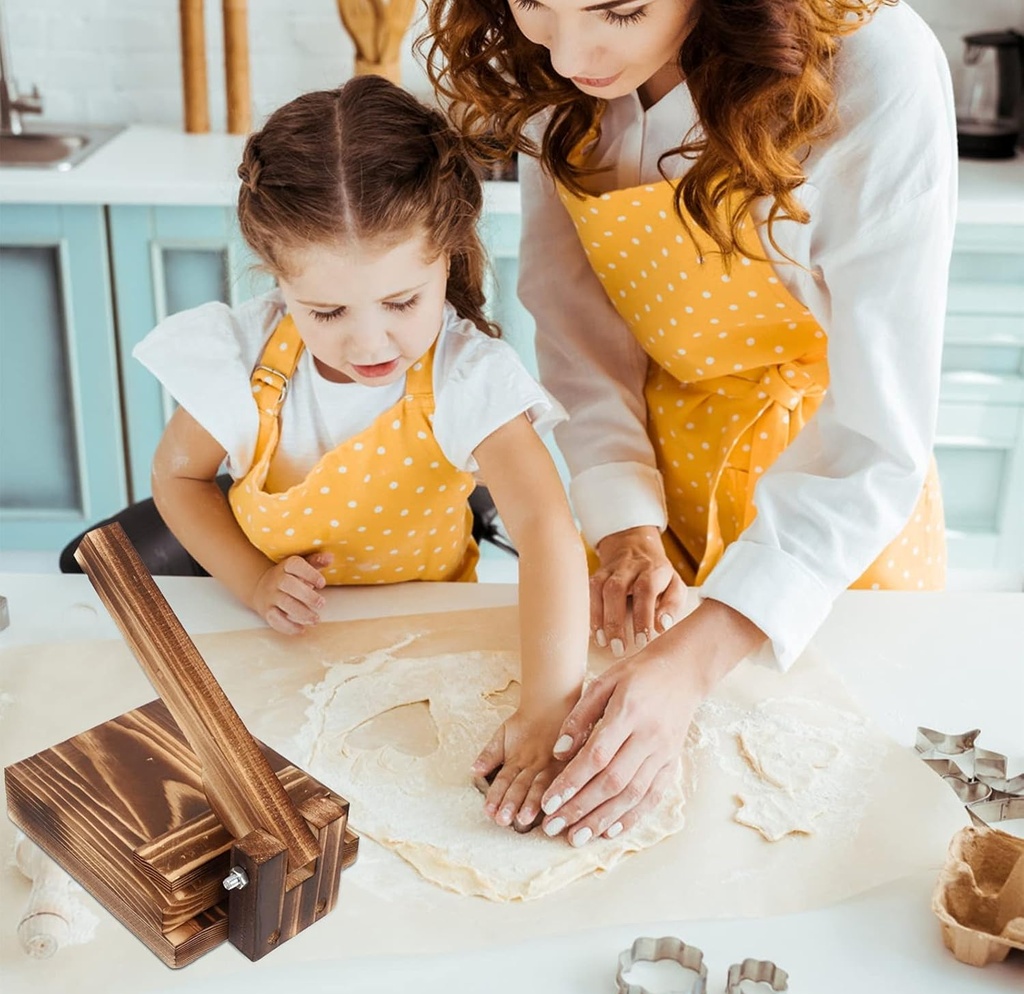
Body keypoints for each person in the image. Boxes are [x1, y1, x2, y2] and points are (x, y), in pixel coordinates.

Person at [426, 0, 956, 847]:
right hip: (657, 477)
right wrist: (625, 531)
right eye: (533, 6)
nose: (568, 57)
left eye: (620, 10)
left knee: (827, 819)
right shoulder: (549, 69)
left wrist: (694, 659)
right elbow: (575, 322)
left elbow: (876, 432)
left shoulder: (873, 65)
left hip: (835, 518)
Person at [134, 76, 590, 830]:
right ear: (276, 276)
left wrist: (546, 710)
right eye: (327, 311)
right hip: (281, 649)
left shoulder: (467, 378)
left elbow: (546, 533)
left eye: (402, 302)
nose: (370, 341)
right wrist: (252, 580)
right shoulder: (241, 361)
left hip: (427, 645)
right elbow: (177, 476)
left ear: (447, 256)